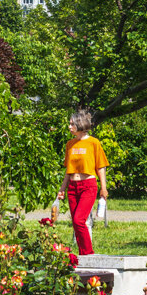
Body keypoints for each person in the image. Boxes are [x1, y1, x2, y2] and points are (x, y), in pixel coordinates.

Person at [56, 109, 109, 256]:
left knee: (79, 220)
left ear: (80, 124)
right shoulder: (70, 144)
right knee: (75, 223)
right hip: (72, 187)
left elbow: (100, 166)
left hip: (88, 186)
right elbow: (68, 170)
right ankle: (82, 255)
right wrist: (62, 189)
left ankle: (88, 254)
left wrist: (104, 188)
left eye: (72, 124)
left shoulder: (93, 143)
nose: (69, 126)